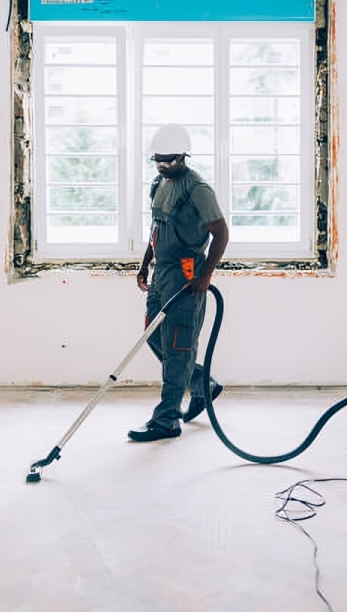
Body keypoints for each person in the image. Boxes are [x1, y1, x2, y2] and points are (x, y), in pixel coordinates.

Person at [128, 124, 229, 442]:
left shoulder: (197, 189)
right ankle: (202, 384)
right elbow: (157, 229)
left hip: (187, 276)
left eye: (170, 160)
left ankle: (167, 420)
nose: (163, 165)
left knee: (178, 347)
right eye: (158, 160)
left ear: (183, 155)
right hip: (162, 273)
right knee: (154, 337)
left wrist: (206, 275)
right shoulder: (158, 183)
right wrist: (146, 263)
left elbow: (221, 233)